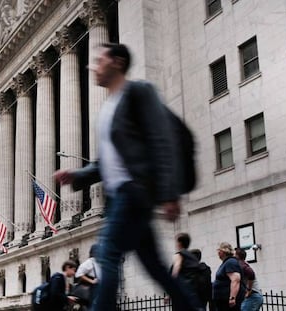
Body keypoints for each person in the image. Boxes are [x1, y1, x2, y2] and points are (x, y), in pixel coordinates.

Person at [54, 43, 201, 311]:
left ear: (118, 62)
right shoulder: (108, 107)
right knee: (157, 269)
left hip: (134, 191)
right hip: (121, 197)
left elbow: (162, 139)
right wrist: (76, 174)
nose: (93, 66)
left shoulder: (138, 92)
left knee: (107, 254)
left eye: (100, 60)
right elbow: (105, 163)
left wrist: (169, 193)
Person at [213, 242, 245, 311]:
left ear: (224, 251)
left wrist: (232, 298)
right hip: (222, 302)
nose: (218, 253)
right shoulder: (226, 263)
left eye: (219, 251)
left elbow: (235, 280)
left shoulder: (230, 262)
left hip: (227, 302)